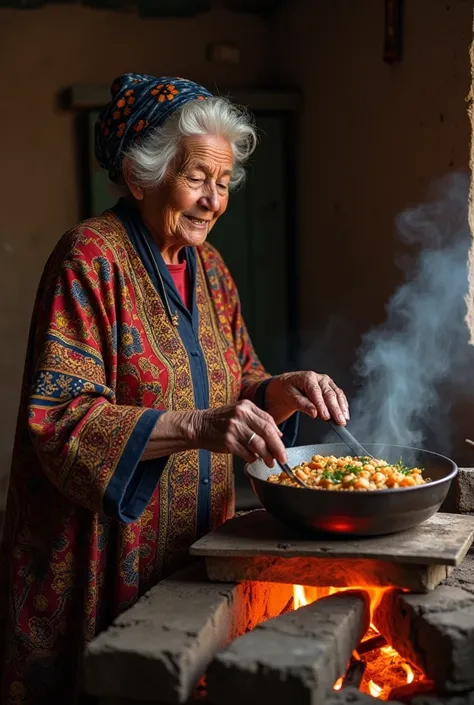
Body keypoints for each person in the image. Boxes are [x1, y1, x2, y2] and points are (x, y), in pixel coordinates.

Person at [0, 73, 350, 705]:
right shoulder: (90, 259)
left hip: (193, 548)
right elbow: (59, 419)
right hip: (97, 562)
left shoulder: (210, 268)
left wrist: (283, 389)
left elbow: (238, 379)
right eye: (196, 178)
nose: (213, 201)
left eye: (223, 183)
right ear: (141, 176)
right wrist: (197, 426)